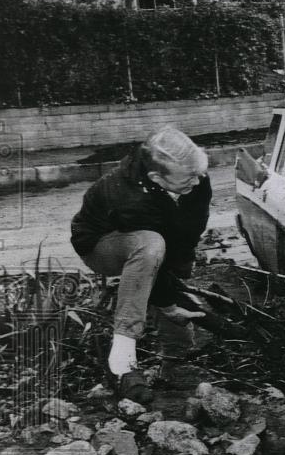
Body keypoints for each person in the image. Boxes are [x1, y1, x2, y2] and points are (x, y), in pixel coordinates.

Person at [71, 127, 211, 402]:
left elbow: (189, 232)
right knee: (151, 248)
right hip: (102, 246)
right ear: (156, 177)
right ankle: (123, 354)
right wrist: (168, 304)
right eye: (188, 178)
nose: (197, 182)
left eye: (199, 174)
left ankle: (174, 363)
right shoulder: (127, 196)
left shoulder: (196, 179)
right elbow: (153, 254)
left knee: (170, 279)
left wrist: (178, 285)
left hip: (150, 243)